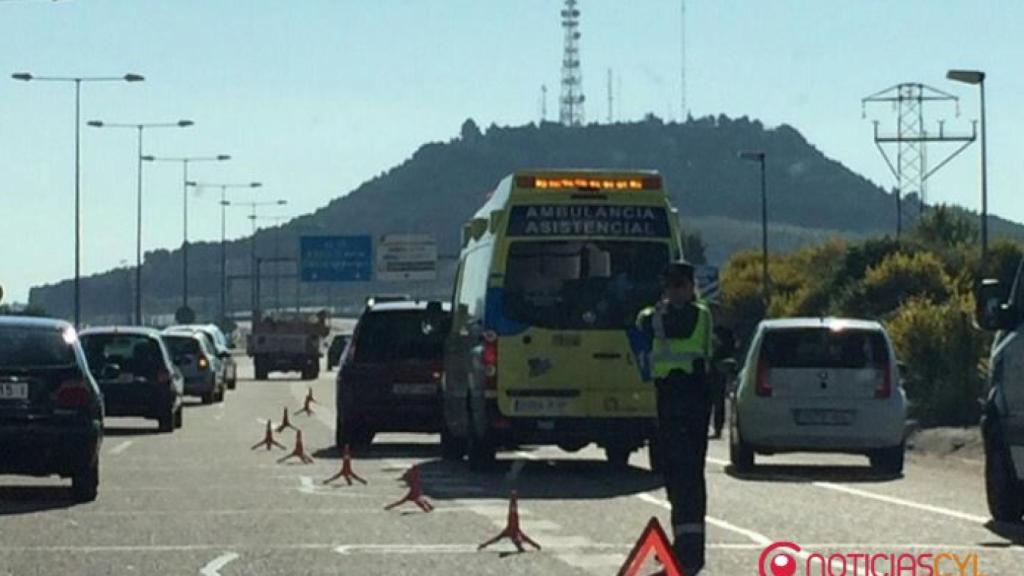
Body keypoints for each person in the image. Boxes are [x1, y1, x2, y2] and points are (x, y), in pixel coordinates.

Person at [636, 260, 714, 575]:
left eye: (680, 285)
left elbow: (653, 323)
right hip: (679, 396)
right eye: (672, 286)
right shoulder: (667, 315)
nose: (676, 291)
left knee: (684, 475)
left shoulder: (688, 316)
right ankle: (684, 547)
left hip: (686, 396)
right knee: (678, 474)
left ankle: (689, 553)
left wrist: (657, 310)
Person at [709, 325, 736, 439]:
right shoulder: (709, 328)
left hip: (718, 368)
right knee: (708, 400)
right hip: (708, 367)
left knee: (718, 400)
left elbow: (731, 350)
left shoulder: (726, 332)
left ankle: (718, 428)